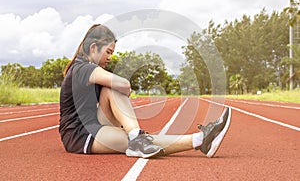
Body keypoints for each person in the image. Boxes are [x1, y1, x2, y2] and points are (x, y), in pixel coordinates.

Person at [59, 24, 231, 159]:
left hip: (93, 125)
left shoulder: (86, 69)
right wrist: (124, 90)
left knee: (112, 90)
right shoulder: (83, 68)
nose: (110, 57)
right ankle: (199, 140)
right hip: (78, 135)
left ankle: (137, 138)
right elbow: (124, 84)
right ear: (94, 47)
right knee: (126, 131)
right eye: (108, 52)